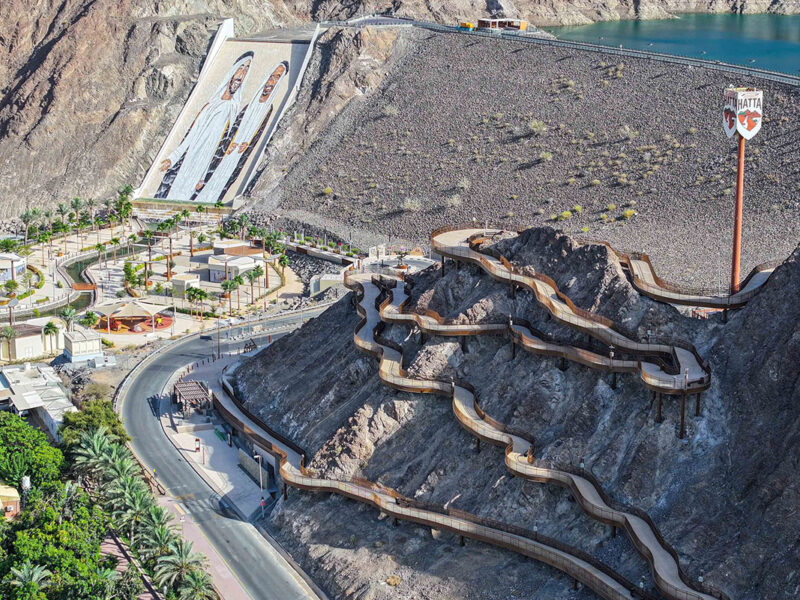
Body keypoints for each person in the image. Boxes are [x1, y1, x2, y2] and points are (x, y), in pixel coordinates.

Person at [155, 52, 254, 200]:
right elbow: (192, 135)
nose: (243, 73)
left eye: (247, 69)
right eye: (241, 67)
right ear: (233, 71)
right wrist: (173, 158)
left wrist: (204, 176)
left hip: (204, 165)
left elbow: (224, 144)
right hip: (191, 157)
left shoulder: (233, 109)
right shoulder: (210, 105)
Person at [195, 61, 289, 204]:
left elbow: (258, 137)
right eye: (271, 76)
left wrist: (247, 144)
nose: (272, 81)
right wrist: (229, 144)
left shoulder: (267, 110)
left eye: (277, 77)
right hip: (226, 152)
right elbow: (231, 129)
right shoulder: (249, 106)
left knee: (220, 186)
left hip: (236, 160)